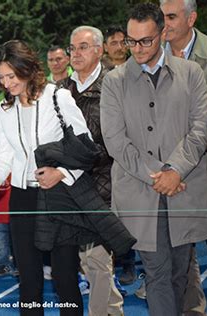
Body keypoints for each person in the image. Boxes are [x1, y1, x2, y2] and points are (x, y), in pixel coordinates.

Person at [0, 39, 135, 316]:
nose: (7, 83)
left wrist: (61, 172)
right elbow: (4, 158)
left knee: (65, 278)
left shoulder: (57, 97)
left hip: (59, 196)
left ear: (26, 68)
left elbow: (87, 149)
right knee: (29, 280)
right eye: (1, 78)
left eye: (11, 76)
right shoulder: (4, 109)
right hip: (22, 198)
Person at [100, 3, 207, 316]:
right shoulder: (113, 82)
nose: (137, 48)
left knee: (181, 271)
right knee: (158, 273)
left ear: (162, 34)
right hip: (141, 193)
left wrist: (175, 172)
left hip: (185, 189)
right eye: (131, 41)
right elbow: (115, 141)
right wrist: (159, 176)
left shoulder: (190, 74)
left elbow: (200, 128)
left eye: (145, 41)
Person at [63, 25, 124, 316]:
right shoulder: (61, 90)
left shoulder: (116, 84)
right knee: (89, 264)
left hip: (105, 184)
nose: (76, 53)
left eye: (83, 47)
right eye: (72, 48)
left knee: (97, 260)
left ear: (99, 50)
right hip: (68, 188)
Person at [160, 1, 207, 314]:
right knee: (180, 254)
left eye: (170, 16)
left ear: (191, 18)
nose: (163, 24)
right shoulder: (148, 55)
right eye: (161, 16)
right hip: (170, 174)